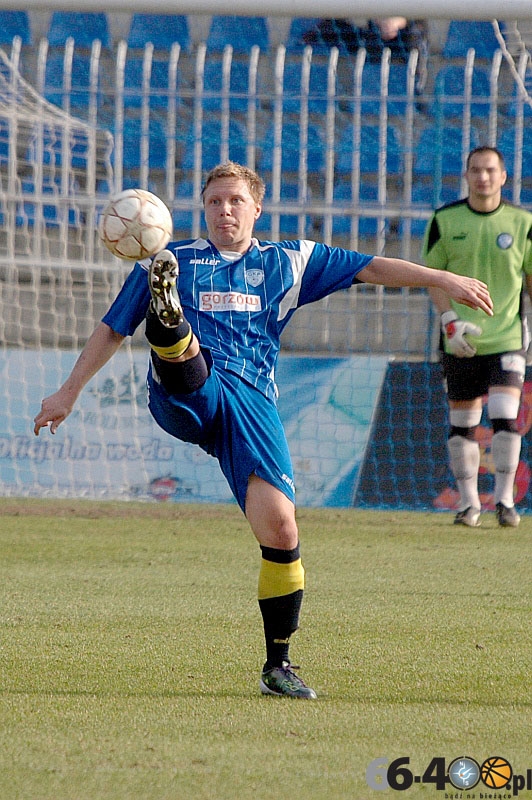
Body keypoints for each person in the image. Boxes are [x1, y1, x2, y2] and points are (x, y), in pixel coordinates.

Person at [34, 161, 493, 698]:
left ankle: (279, 666)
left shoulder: (289, 261)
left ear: (257, 207)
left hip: (252, 403)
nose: (223, 210)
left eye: (234, 201)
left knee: (282, 531)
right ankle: (170, 323)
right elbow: (112, 330)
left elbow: (372, 265)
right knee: (180, 351)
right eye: (213, 202)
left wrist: (442, 278)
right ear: (202, 208)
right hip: (187, 394)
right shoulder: (173, 258)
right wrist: (69, 391)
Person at [423, 146, 532, 529]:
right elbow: (432, 276)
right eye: (475, 170)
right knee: (463, 424)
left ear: (504, 176)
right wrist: (449, 319)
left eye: (490, 171)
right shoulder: (444, 219)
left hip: (507, 336)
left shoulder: (523, 222)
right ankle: (469, 504)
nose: (483, 177)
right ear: (466, 176)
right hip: (459, 338)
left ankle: (504, 500)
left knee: (505, 417)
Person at [302, 17, 428, 95]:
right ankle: (371, 87)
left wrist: (400, 21)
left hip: (406, 35)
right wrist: (380, 19)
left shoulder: (414, 30)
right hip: (378, 34)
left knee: (413, 36)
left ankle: (414, 89)